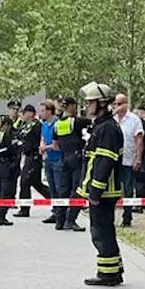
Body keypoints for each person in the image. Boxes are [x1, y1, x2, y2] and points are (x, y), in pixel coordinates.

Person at [77, 83, 125, 286]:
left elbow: (104, 162)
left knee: (101, 231)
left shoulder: (107, 128)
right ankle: (114, 270)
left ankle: (107, 275)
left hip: (104, 191)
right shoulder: (102, 125)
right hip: (103, 190)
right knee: (104, 230)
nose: (87, 106)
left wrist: (95, 192)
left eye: (90, 103)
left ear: (102, 104)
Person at [54, 96, 92, 232]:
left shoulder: (57, 124)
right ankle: (71, 220)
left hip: (64, 158)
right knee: (77, 189)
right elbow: (92, 121)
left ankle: (59, 221)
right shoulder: (75, 121)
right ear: (70, 106)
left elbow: (55, 145)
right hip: (76, 158)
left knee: (63, 190)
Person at [113, 95, 144, 227]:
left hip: (128, 160)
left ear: (126, 104)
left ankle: (127, 217)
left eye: (120, 103)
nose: (117, 106)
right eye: (115, 103)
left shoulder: (134, 120)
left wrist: (138, 158)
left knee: (128, 189)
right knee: (113, 190)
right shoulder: (112, 120)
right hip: (113, 161)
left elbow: (139, 140)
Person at [15, 104, 50, 218]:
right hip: (27, 156)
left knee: (25, 182)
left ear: (30, 113)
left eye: (24, 113)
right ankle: (56, 201)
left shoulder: (37, 126)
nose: (22, 115)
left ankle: (24, 208)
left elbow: (41, 139)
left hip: (34, 157)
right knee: (36, 184)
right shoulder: (26, 125)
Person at [0, 104, 23, 226]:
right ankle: (1, 216)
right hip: (7, 166)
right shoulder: (11, 135)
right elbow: (16, 150)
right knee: (6, 192)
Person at [38, 100, 64, 224]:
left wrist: (46, 147)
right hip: (48, 159)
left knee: (59, 187)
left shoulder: (58, 123)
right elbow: (42, 138)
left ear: (49, 110)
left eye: (43, 111)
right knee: (52, 188)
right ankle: (55, 211)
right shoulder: (44, 125)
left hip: (58, 158)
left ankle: (62, 214)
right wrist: (42, 146)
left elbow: (57, 145)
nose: (41, 113)